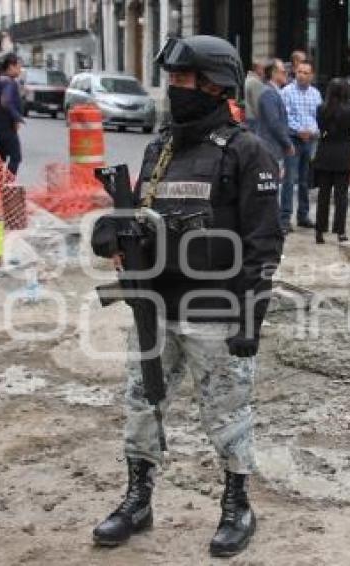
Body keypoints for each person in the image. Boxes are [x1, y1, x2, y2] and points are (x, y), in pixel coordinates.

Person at [91, 35, 283, 559]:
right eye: (172, 80)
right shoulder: (161, 148)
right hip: (156, 309)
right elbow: (144, 220)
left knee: (227, 413)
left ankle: (237, 504)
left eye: (181, 81)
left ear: (214, 84)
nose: (173, 90)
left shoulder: (247, 151)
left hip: (215, 314)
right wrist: (120, 242)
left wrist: (251, 317)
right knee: (141, 404)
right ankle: (138, 500)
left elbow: (264, 244)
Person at [313, 78, 350, 244]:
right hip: (343, 154)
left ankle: (319, 231)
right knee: (341, 196)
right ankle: (340, 231)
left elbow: (320, 127)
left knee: (323, 195)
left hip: (325, 153)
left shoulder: (321, 109)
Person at [280, 59, 322, 233]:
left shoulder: (316, 94)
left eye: (306, 72)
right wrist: (299, 131)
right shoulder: (286, 92)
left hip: (310, 141)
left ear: (311, 75)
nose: (302, 75)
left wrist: (312, 131)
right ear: (295, 73)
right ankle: (284, 218)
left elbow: (319, 117)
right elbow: (285, 116)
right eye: (299, 72)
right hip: (293, 140)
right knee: (289, 180)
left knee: (305, 180)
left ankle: (303, 216)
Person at [0, 53, 24, 176]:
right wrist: (17, 118)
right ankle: (7, 186)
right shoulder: (9, 82)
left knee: (0, 158)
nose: (20, 70)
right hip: (7, 127)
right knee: (16, 157)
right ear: (11, 67)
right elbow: (6, 101)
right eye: (18, 67)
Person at [256, 58, 294, 167]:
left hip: (273, 147)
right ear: (273, 73)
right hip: (270, 148)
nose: (287, 74)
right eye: (283, 71)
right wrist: (288, 144)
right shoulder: (269, 93)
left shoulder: (274, 92)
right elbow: (274, 123)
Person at [243, 61, 265, 132]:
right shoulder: (255, 82)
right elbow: (257, 106)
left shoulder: (247, 79)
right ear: (258, 69)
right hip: (252, 121)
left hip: (246, 118)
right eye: (263, 68)